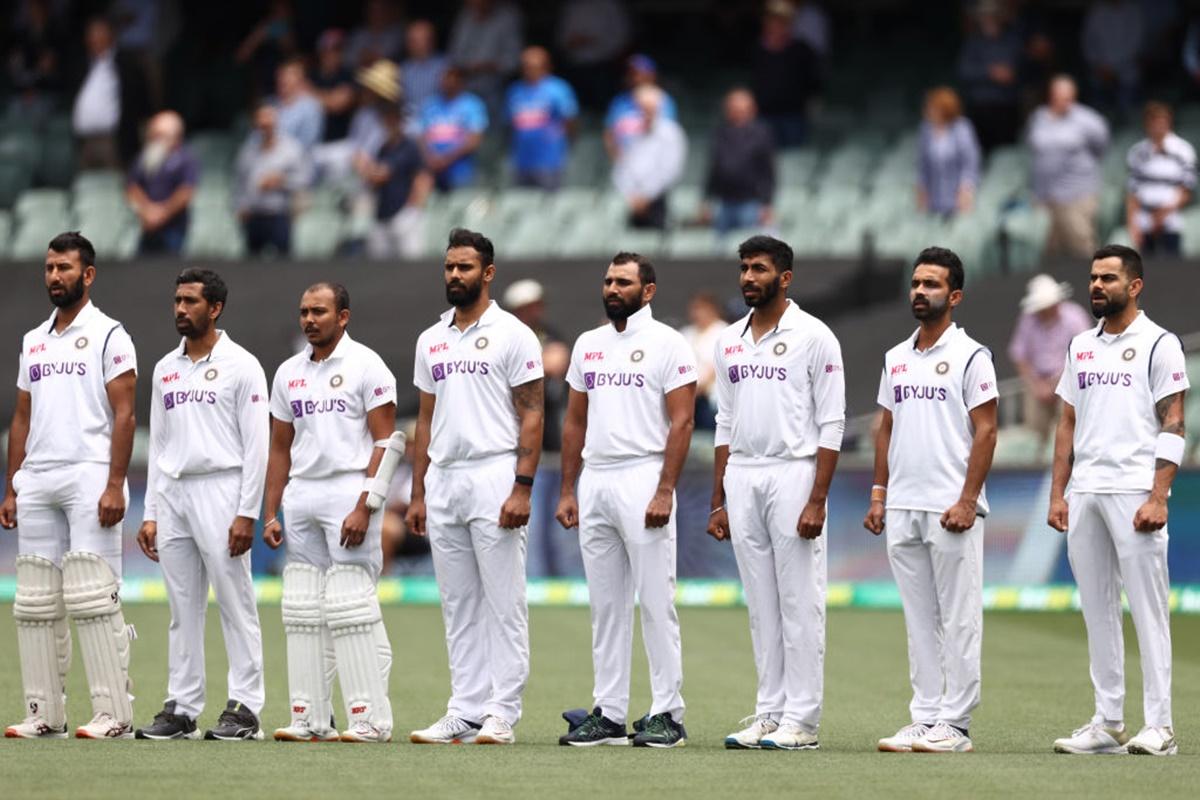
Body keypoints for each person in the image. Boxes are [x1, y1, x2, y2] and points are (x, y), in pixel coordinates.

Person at [707, 235, 845, 751]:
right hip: (743, 473)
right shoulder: (728, 340)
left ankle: (802, 721)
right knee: (761, 603)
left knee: (799, 601)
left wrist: (818, 498)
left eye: (759, 269)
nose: (748, 277)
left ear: (784, 278)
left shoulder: (814, 336)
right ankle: (770, 711)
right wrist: (718, 498)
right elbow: (724, 420)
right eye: (744, 268)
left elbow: (831, 423)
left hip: (794, 472)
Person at [1048, 244, 1187, 757]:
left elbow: (1174, 421)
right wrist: (1058, 492)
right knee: (1097, 610)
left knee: (1148, 611)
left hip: (1134, 493)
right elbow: (1067, 421)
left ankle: (1162, 727)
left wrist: (1159, 494)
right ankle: (1108, 722)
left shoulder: (1159, 343)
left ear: (1135, 286)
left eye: (1108, 278)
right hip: (1085, 491)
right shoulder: (1080, 345)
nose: (1096, 286)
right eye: (1092, 277)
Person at [407, 228, 544, 746]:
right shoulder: (431, 338)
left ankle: (501, 712)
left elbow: (531, 413)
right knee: (458, 601)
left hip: (494, 473)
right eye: (449, 267)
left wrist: (522, 486)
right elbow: (425, 417)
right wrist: (419, 493)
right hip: (444, 478)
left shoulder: (513, 334)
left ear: (487, 273)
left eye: (465, 268)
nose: (455, 276)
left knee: (503, 600)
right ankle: (464, 708)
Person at [555, 253, 696, 748]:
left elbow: (682, 421)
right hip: (596, 477)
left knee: (656, 602)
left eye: (624, 281)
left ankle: (668, 714)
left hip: (643, 474)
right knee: (606, 606)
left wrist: (664, 489)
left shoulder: (668, 343)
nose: (613, 288)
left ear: (649, 290)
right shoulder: (588, 344)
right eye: (609, 280)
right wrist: (569, 488)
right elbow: (574, 421)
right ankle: (609, 713)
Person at [3, 231, 138, 739]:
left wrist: (115, 484)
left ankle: (114, 714)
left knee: (93, 593)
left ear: (89, 274)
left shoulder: (110, 334)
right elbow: (22, 415)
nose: (55, 276)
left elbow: (125, 414)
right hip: (37, 475)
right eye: (49, 268)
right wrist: (13, 486)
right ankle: (44, 713)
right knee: (37, 599)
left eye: (65, 268)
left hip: (89, 472)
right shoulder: (33, 339)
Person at [864, 247, 999, 755]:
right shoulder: (895, 357)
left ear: (955, 296)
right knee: (919, 617)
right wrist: (880, 495)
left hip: (951, 505)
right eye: (917, 283)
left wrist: (968, 500)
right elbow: (886, 427)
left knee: (959, 616)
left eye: (932, 285)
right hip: (903, 504)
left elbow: (986, 432)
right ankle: (924, 716)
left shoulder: (973, 355)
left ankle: (956, 723)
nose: (920, 291)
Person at [133, 270, 269, 742]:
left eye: (190, 301)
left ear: (215, 308)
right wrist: (150, 511)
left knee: (235, 601)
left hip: (222, 487)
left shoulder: (242, 364)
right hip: (173, 492)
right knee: (181, 607)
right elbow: (159, 442)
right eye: (177, 300)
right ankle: (183, 707)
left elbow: (258, 446)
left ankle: (245, 707)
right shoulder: (165, 367)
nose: (180, 309)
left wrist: (247, 511)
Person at [264, 282, 398, 744]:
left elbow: (386, 442)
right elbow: (280, 447)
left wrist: (366, 504)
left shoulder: (367, 365)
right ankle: (310, 717)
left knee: (351, 605)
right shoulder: (287, 372)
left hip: (348, 491)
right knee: (305, 608)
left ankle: (370, 718)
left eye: (319, 311)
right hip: (302, 493)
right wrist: (270, 512)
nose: (309, 319)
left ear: (343, 316)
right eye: (303, 311)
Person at [1028, 75, 1109, 260]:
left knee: (1081, 247)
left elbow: (1101, 147)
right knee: (1050, 251)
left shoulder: (1089, 120)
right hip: (1046, 196)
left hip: (1076, 195)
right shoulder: (1039, 117)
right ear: (1051, 95)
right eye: (1059, 96)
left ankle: (1091, 287)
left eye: (1067, 97)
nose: (1063, 101)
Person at [1008, 274, 1093, 445]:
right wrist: (1036, 385)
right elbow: (1019, 355)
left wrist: (1056, 383)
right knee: (1034, 433)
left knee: (1070, 427)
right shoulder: (1027, 320)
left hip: (1069, 381)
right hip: (1037, 383)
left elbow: (1085, 353)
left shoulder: (1074, 317)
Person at [72, 16, 149, 169]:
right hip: (85, 141)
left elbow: (140, 99)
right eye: (91, 34)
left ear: (111, 35)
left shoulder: (126, 63)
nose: (93, 38)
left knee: (112, 185)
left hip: (114, 141)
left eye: (98, 32)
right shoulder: (82, 64)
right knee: (87, 186)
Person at [234, 104, 311, 256]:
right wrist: (240, 205)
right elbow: (239, 181)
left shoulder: (291, 149)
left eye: (268, 122)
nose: (265, 126)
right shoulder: (248, 150)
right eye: (261, 123)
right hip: (254, 214)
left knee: (283, 262)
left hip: (279, 214)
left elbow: (305, 178)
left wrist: (281, 181)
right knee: (251, 262)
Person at [359, 104, 433, 259]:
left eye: (395, 118)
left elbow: (423, 177)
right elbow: (373, 179)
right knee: (379, 271)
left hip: (404, 215)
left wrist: (413, 208)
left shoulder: (409, 146)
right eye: (388, 118)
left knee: (411, 269)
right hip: (382, 215)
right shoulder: (383, 149)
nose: (391, 122)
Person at [1126, 102, 1197, 257]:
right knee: (1144, 270)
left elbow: (1186, 191)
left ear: (1169, 122)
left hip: (1170, 220)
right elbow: (1133, 192)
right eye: (1154, 122)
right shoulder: (1137, 152)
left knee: (1172, 270)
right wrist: (1133, 225)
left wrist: (1161, 216)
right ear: (1147, 124)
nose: (1158, 126)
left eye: (1162, 121)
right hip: (1144, 221)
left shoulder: (1183, 151)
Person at [126, 111, 200, 255]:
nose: (153, 138)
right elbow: (133, 187)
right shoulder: (144, 158)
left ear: (176, 136)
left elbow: (186, 191)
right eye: (153, 133)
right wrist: (146, 211)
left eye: (159, 134)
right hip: (147, 227)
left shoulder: (186, 159)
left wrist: (162, 213)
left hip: (174, 229)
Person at [703, 88, 776, 234]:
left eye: (741, 109)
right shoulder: (721, 133)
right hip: (724, 202)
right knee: (718, 250)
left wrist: (766, 204)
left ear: (751, 110)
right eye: (733, 109)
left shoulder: (761, 134)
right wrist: (706, 199)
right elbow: (714, 169)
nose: (737, 113)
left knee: (748, 248)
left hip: (751, 202)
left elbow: (768, 172)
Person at [613, 85, 687, 230]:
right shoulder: (630, 131)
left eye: (649, 107)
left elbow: (670, 170)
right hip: (631, 201)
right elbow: (622, 166)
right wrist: (631, 195)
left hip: (658, 201)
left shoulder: (671, 133)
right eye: (640, 107)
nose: (644, 112)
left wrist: (646, 196)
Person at [506, 46, 579, 190]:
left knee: (550, 207)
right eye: (525, 66)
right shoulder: (515, 91)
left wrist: (563, 144)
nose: (529, 70)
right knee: (521, 205)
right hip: (521, 160)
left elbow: (570, 121)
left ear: (546, 67)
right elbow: (510, 124)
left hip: (549, 160)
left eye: (534, 66)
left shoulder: (558, 88)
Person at [751, 1, 820, 148]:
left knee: (794, 159)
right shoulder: (757, 49)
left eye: (781, 21)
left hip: (793, 115)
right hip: (764, 114)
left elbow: (813, 80)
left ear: (789, 23)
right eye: (771, 19)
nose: (775, 25)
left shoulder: (801, 50)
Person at [957, 1, 1023, 153]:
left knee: (1006, 152)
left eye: (993, 16)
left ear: (1000, 18)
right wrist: (990, 73)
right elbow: (964, 71)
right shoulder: (973, 43)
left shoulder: (1012, 42)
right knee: (977, 150)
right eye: (985, 16)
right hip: (979, 107)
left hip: (1006, 107)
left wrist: (1005, 74)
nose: (989, 19)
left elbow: (1017, 71)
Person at [447, 0, 523, 117]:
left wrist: (487, 66)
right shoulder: (466, 17)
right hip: (467, 85)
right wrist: (470, 66)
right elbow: (455, 56)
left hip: (497, 86)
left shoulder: (507, 17)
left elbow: (513, 62)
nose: (474, 4)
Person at [419, 67, 489, 191]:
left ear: (460, 82)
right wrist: (430, 157)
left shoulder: (472, 104)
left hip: (461, 171)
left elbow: (474, 140)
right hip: (433, 170)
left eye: (452, 81)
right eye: (445, 80)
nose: (447, 84)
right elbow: (421, 136)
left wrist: (446, 159)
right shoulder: (430, 104)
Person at [554, 0, 631, 109]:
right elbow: (561, 39)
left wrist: (594, 41)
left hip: (604, 66)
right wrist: (572, 43)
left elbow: (622, 37)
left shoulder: (609, 5)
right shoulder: (572, 7)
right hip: (576, 66)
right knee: (578, 106)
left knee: (604, 106)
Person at [917, 87, 981, 218]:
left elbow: (970, 163)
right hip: (934, 197)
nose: (929, 111)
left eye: (934, 107)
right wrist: (922, 190)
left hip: (958, 196)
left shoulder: (962, 128)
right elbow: (923, 163)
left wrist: (965, 190)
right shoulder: (926, 129)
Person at [603, 54, 678, 161]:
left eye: (637, 73)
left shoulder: (664, 101)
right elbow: (609, 134)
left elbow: (667, 136)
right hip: (625, 163)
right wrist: (618, 159)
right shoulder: (620, 101)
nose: (633, 77)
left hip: (652, 163)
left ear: (651, 75)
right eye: (630, 73)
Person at [1081, 0, 1143, 121]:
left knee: (1128, 111)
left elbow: (1136, 42)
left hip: (1126, 70)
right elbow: (1087, 42)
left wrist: (1113, 67)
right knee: (1097, 112)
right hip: (1100, 70)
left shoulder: (1133, 10)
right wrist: (1099, 65)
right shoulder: (1096, 11)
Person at [678, 292, 728, 431]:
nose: (697, 313)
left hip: (710, 400)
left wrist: (690, 394)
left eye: (701, 309)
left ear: (712, 310)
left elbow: (711, 371)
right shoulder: (686, 333)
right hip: (686, 393)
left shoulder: (723, 332)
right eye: (694, 309)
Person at [312, 30, 357, 144]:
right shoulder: (312, 75)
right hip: (314, 143)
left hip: (340, 144)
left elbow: (336, 105)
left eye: (337, 49)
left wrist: (310, 93)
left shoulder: (347, 75)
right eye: (327, 49)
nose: (331, 54)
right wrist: (326, 98)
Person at [401, 20, 448, 117]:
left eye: (418, 41)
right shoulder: (404, 68)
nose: (413, 45)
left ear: (431, 41)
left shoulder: (445, 66)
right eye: (411, 40)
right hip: (409, 120)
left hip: (439, 119)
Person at [274, 59, 324, 150]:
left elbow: (306, 145)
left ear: (301, 80)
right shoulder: (272, 103)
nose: (283, 79)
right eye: (281, 75)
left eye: (289, 75)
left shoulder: (311, 107)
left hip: (295, 161)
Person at [345, 0, 406, 69]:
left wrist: (366, 56)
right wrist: (364, 57)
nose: (377, 14)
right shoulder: (358, 34)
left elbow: (390, 54)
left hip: (385, 76)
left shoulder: (395, 33)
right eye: (373, 10)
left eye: (381, 10)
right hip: (357, 75)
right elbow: (347, 58)